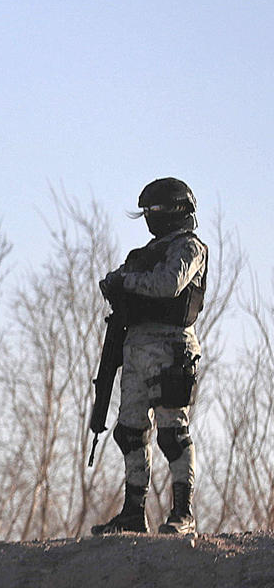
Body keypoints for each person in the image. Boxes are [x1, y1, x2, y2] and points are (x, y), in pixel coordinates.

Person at [93, 177, 208, 536]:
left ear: (175, 211)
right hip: (136, 347)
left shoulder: (190, 247)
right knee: (130, 432)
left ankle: (182, 513)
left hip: (171, 347)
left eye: (154, 212)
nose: (149, 219)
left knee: (172, 432)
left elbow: (167, 284)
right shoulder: (143, 254)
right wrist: (117, 281)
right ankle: (132, 512)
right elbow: (117, 283)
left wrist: (124, 282)